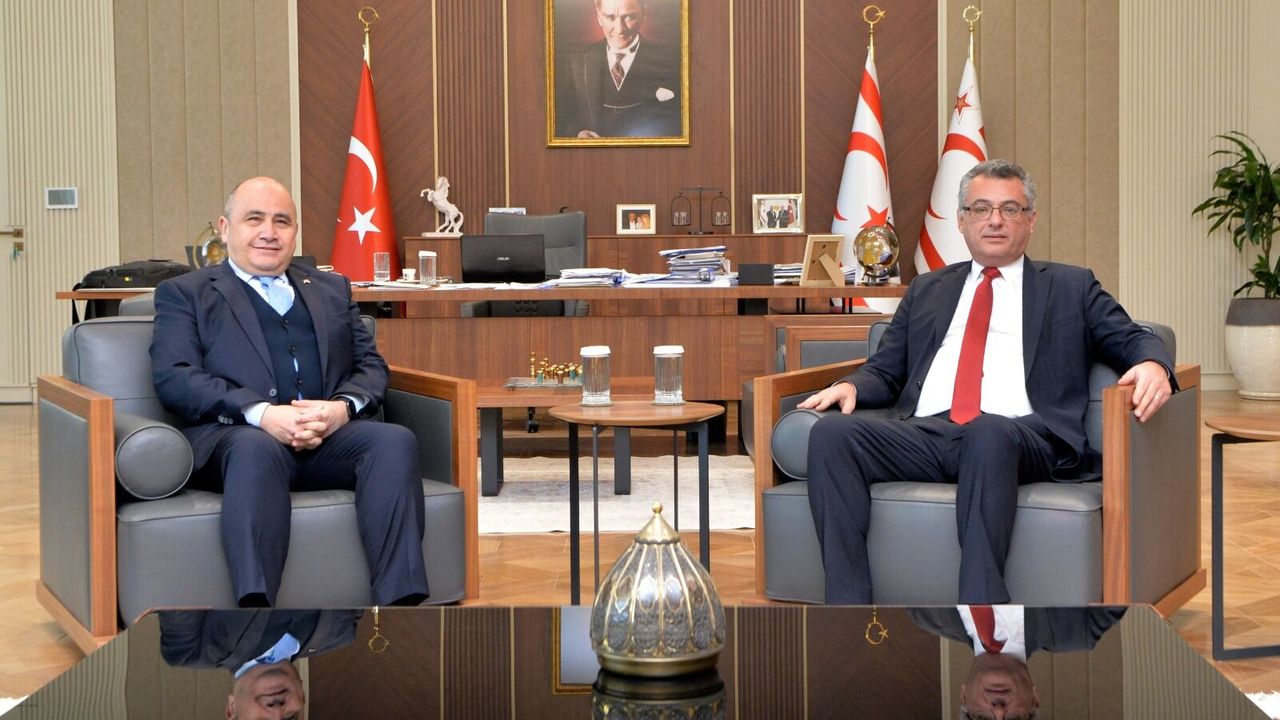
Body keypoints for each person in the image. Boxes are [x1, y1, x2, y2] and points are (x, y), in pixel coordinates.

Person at [800, 159, 1175, 604]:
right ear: (961, 221)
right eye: (981, 209)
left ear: (1031, 220)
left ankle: (982, 612)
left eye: (1010, 209)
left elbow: (1132, 338)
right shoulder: (928, 288)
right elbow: (886, 369)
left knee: (988, 431)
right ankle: (847, 608)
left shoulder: (1070, 286)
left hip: (1022, 437)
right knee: (833, 435)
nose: (995, 220)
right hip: (927, 434)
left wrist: (1153, 363)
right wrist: (852, 386)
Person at [151, 176, 430, 608]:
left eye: (282, 221)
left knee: (393, 441)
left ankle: (400, 607)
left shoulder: (331, 289)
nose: (269, 232)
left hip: (327, 438)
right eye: (254, 219)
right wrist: (262, 414)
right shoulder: (185, 294)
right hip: (237, 440)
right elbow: (175, 376)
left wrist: (340, 409)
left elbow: (371, 366)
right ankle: (256, 613)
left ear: (295, 232)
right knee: (255, 448)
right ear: (225, 228)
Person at [909, 606, 1125, 719]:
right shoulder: (1081, 627)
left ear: (964, 697)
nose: (999, 710)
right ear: (1035, 699)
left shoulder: (925, 612)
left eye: (983, 719)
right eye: (1014, 719)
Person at [160, 609, 361, 720]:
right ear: (302, 696)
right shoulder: (340, 632)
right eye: (289, 719)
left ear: (232, 709)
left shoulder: (189, 649)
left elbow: (180, 563)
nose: (277, 712)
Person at [557, 0, 681, 139]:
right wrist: (578, 133)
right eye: (610, 17)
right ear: (599, 17)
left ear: (644, 14)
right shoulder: (576, 62)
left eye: (628, 17)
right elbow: (562, 116)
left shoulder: (672, 62)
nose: (620, 29)